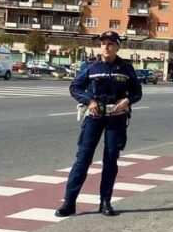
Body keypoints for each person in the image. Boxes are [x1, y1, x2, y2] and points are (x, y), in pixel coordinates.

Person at [55, 31, 143, 217]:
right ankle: (69, 203)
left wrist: (127, 100)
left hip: (116, 118)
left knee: (110, 160)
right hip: (94, 117)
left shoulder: (126, 68)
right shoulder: (91, 65)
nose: (106, 47)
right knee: (83, 159)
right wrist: (89, 100)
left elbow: (137, 92)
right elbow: (75, 87)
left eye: (110, 43)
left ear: (118, 46)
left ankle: (105, 202)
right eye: (103, 43)